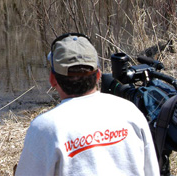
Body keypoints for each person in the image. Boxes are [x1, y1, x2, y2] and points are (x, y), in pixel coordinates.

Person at [15, 33, 160, 176]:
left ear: (53, 80)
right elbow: (152, 171)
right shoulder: (130, 111)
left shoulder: (45, 128)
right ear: (98, 76)